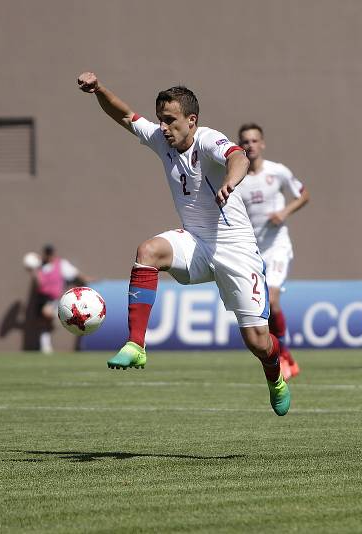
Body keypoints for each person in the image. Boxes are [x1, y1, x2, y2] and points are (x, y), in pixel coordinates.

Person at [76, 71, 290, 416]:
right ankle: (136, 343)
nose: (163, 127)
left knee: (258, 342)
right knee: (148, 251)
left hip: (236, 250)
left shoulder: (206, 139)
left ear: (191, 121)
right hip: (197, 243)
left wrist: (230, 183)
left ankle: (275, 375)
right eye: (161, 119)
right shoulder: (162, 140)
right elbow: (125, 115)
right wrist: (99, 89)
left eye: (170, 120)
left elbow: (239, 157)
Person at [236, 123, 310, 380]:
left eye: (254, 141)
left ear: (262, 143)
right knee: (261, 311)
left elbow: (303, 194)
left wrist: (284, 212)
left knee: (274, 300)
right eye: (245, 141)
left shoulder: (277, 172)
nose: (250, 145)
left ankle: (286, 357)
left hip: (277, 246)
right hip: (252, 253)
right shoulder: (237, 178)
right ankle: (286, 356)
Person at [25, 244, 91, 354]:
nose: (49, 256)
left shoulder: (61, 264)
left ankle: (60, 317)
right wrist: (33, 271)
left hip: (54, 299)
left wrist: (87, 279)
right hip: (42, 298)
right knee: (43, 323)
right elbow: (39, 284)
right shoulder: (40, 266)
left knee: (47, 315)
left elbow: (75, 273)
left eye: (51, 253)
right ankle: (45, 346)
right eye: (47, 254)